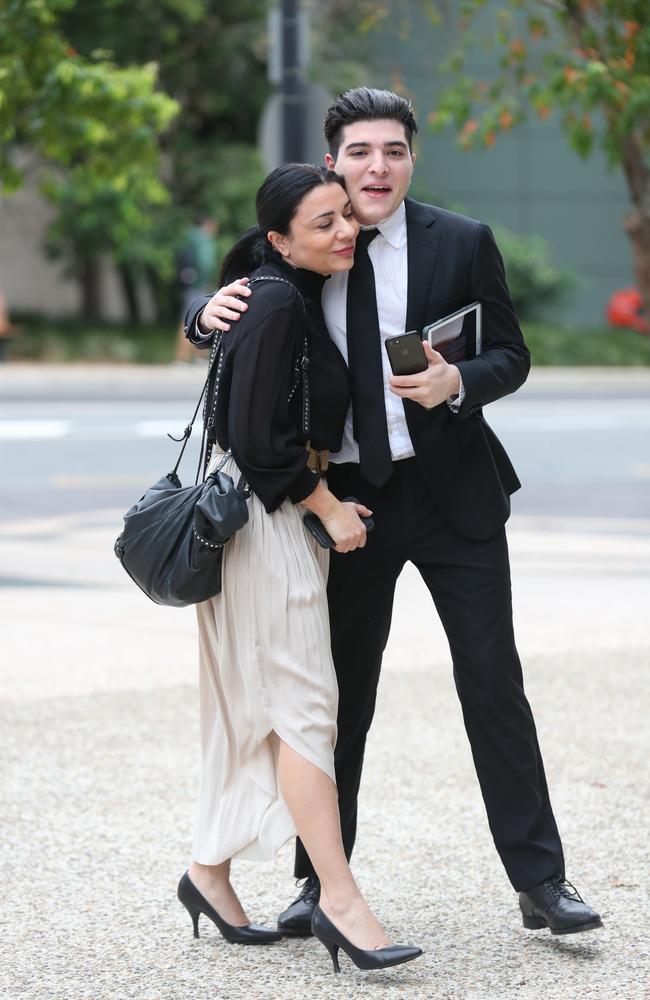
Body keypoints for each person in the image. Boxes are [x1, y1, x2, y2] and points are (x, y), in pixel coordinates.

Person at [186, 88, 602, 939]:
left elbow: (511, 355)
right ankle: (317, 886)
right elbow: (237, 321)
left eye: (395, 151)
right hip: (342, 502)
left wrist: (461, 382)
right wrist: (200, 316)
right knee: (339, 702)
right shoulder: (301, 234)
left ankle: (542, 882)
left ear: (413, 157)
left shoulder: (463, 242)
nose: (378, 168)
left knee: (494, 686)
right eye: (361, 152)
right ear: (332, 159)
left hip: (455, 495)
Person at [177, 162, 422, 974]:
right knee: (307, 707)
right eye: (324, 223)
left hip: (263, 521)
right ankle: (340, 901)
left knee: (256, 704)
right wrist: (327, 509)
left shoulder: (281, 284)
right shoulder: (278, 295)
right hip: (266, 520)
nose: (346, 230)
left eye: (345, 216)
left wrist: (201, 317)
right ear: (282, 240)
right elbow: (255, 438)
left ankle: (209, 872)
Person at [174, 216, 219, 363]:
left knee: (199, 317)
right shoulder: (201, 240)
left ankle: (199, 356)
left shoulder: (193, 238)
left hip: (195, 284)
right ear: (208, 224)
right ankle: (183, 357)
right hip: (198, 286)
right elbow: (204, 264)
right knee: (190, 318)